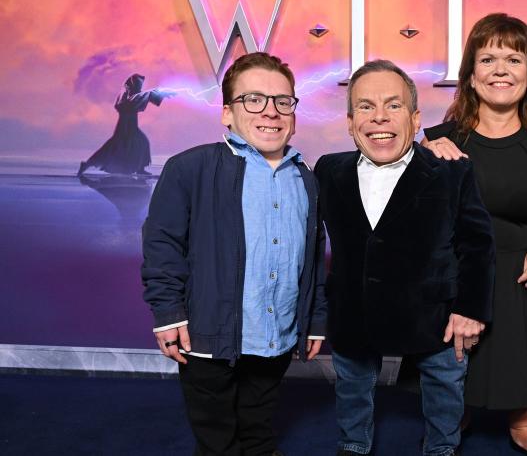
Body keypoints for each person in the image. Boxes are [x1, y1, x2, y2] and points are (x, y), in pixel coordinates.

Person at [141, 52, 325, 455]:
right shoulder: (190, 169)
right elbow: (162, 246)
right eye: (253, 100)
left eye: (283, 101)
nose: (271, 111)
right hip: (209, 337)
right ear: (227, 113)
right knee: (217, 436)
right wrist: (168, 313)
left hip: (274, 336)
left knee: (259, 424)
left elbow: (313, 259)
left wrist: (314, 321)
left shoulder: (306, 179)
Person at [313, 59, 495, 456]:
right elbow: (310, 243)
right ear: (349, 122)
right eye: (365, 106)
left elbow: (477, 245)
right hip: (353, 310)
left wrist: (471, 310)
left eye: (393, 106)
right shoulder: (328, 170)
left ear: (415, 120)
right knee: (352, 387)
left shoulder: (451, 171)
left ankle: (442, 448)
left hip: (434, 313)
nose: (379, 117)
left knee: (445, 390)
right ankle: (353, 445)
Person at [423, 13, 527, 456]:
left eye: (513, 59)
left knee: (519, 347)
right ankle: (457, 414)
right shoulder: (443, 140)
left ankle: (523, 425)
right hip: (458, 267)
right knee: (453, 356)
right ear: (471, 77)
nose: (501, 69)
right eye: (488, 59)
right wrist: (423, 153)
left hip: (518, 265)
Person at [79, 73, 171, 175]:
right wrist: (156, 94)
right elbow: (130, 102)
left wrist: (161, 94)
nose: (140, 87)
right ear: (133, 84)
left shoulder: (133, 94)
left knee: (142, 142)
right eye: (138, 85)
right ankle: (87, 164)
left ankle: (140, 168)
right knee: (112, 148)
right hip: (125, 126)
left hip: (131, 126)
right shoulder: (125, 94)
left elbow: (143, 97)